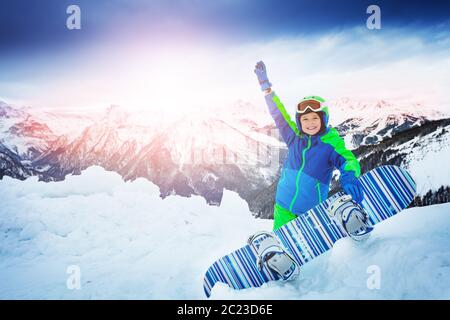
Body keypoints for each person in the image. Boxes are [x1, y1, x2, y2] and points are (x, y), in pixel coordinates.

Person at [254, 61, 364, 231]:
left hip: (310, 212)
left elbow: (347, 159)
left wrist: (349, 174)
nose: (310, 123)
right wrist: (266, 89)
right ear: (299, 122)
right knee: (283, 244)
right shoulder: (294, 137)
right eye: (305, 119)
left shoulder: (330, 143)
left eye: (315, 118)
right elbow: (279, 115)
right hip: (283, 205)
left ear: (324, 119)